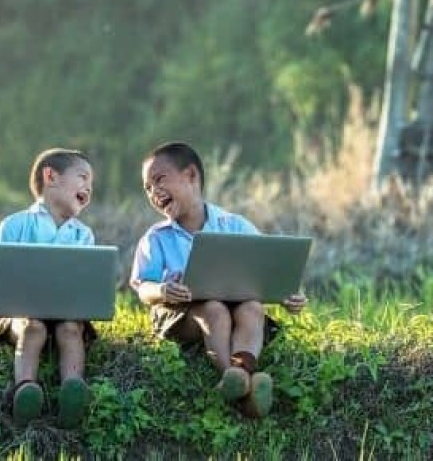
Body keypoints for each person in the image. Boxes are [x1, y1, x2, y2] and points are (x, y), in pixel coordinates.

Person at [130, 141, 307, 419]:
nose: (154, 191)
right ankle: (232, 376)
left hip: (234, 307)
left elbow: (266, 268)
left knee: (252, 308)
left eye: (159, 179)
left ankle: (240, 374)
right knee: (213, 309)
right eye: (147, 188)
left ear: (191, 175)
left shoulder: (233, 225)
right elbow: (143, 288)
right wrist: (163, 290)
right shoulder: (156, 237)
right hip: (181, 314)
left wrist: (286, 294)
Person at [0, 147, 97, 428]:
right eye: (82, 178)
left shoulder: (83, 234)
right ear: (50, 176)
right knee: (34, 327)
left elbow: (86, 282)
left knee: (70, 329)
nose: (88, 188)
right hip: (23, 313)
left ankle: (73, 388)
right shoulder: (15, 224)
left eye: (91, 184)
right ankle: (26, 389)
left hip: (67, 313)